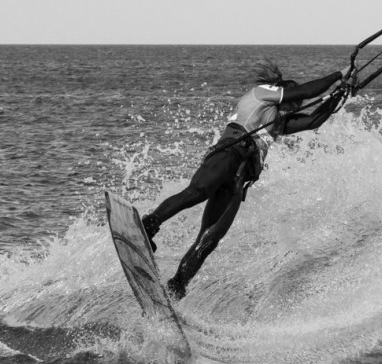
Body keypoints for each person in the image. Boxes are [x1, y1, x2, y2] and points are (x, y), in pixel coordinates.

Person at [141, 60, 352, 299]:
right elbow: (305, 91)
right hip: (229, 153)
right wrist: (338, 75)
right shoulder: (261, 93)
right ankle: (149, 224)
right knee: (197, 192)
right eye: (292, 103)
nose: (294, 108)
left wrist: (340, 93)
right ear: (283, 94)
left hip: (239, 180)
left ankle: (177, 286)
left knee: (210, 238)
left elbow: (313, 120)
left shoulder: (275, 122)